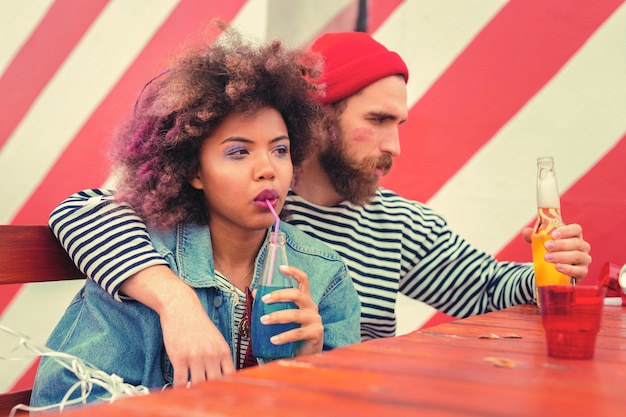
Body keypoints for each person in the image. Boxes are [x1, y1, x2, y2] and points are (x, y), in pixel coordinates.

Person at [48, 31, 592, 386]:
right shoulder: (224, 211)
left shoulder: (394, 225)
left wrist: (550, 270)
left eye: (399, 125)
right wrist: (176, 299)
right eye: (377, 121)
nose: (394, 147)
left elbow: (484, 289)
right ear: (320, 119)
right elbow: (87, 211)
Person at [31, 26, 361, 408]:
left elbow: (341, 403)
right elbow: (67, 401)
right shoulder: (136, 259)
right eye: (239, 152)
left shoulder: (324, 275)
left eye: (280, 150)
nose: (268, 169)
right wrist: (177, 303)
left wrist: (312, 364)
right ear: (194, 171)